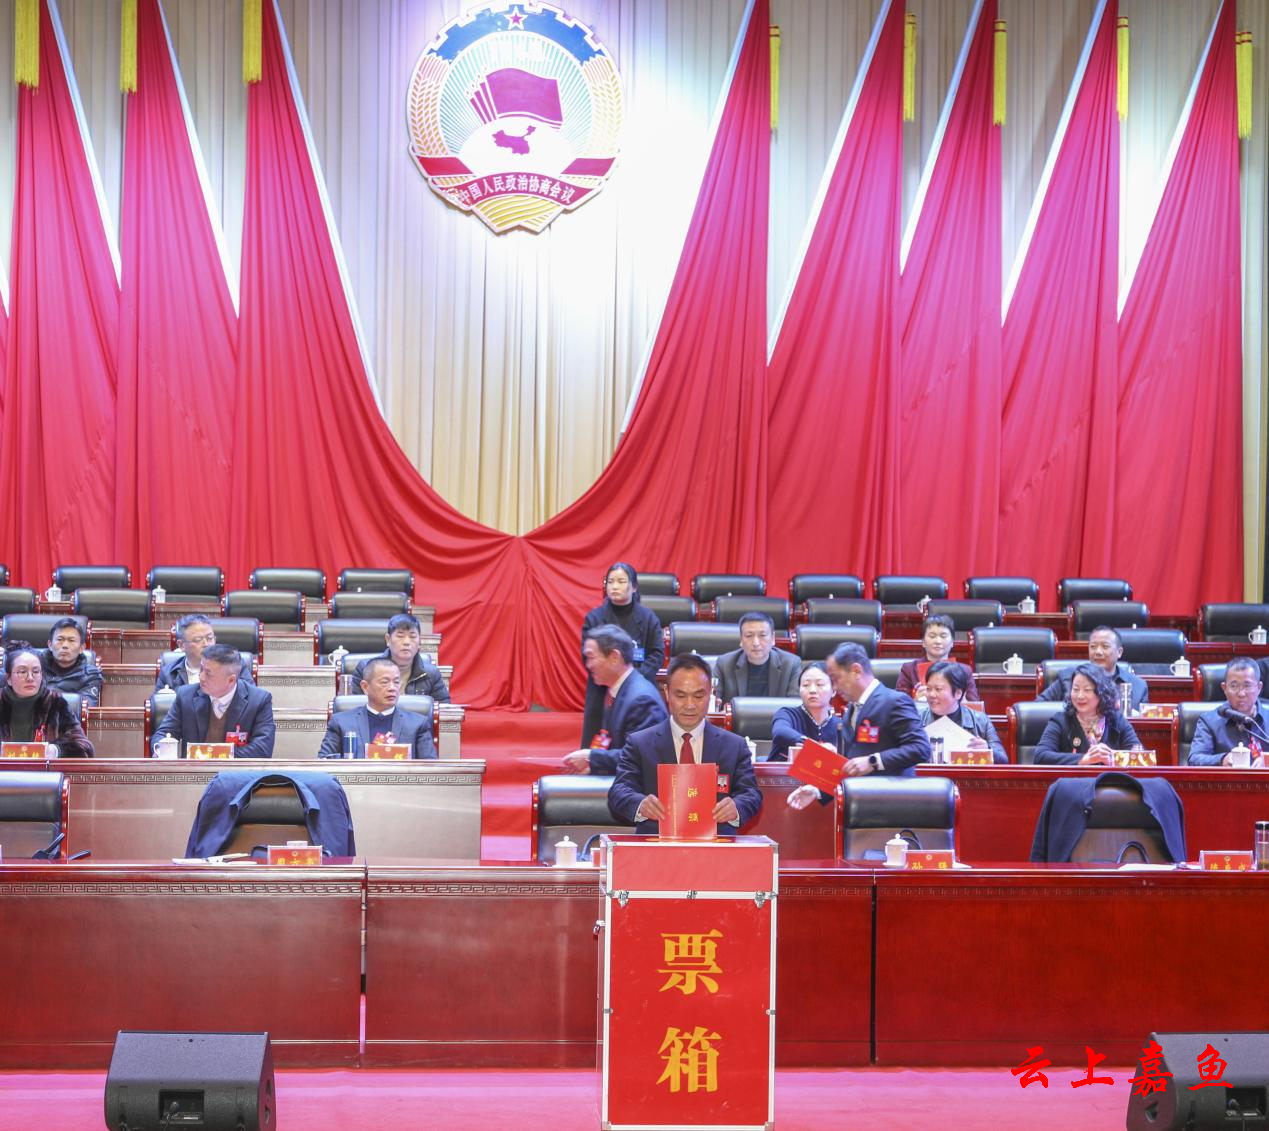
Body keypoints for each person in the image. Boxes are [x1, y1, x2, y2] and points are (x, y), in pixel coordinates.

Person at [608, 653, 761, 836]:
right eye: (681, 696)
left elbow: (751, 794)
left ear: (711, 693)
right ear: (667, 693)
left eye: (698, 696)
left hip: (716, 844)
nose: (690, 705)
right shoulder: (640, 743)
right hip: (657, 844)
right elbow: (619, 791)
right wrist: (641, 804)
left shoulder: (734, 746)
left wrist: (736, 807)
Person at [788, 643, 932, 808]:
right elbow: (849, 765)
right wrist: (818, 791)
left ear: (856, 671)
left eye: (836, 678)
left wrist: (872, 761)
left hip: (893, 804)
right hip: (860, 807)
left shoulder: (895, 701)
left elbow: (921, 748)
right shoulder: (850, 710)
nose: (835, 686)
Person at [561, 625, 668, 775]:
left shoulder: (642, 700)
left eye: (591, 657)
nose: (588, 665)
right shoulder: (618, 689)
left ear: (614, 657)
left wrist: (591, 757)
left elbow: (642, 756)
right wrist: (592, 766)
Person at [579, 562, 664, 746]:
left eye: (621, 581)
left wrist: (631, 679)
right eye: (610, 582)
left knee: (635, 747)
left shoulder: (648, 618)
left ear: (634, 587)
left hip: (637, 688)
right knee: (597, 749)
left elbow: (657, 654)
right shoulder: (594, 618)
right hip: (602, 690)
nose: (614, 586)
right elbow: (587, 656)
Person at [151, 644, 276, 758]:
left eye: (208, 673)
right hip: (193, 773)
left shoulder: (259, 701)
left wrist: (208, 754)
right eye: (201, 669)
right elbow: (163, 734)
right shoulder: (185, 696)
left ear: (231, 680)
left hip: (235, 773)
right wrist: (161, 750)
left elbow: (262, 749)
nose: (201, 677)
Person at [319, 657, 436, 759]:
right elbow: (324, 762)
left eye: (396, 682)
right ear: (365, 687)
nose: (392, 688)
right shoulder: (341, 722)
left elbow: (430, 769)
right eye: (385, 682)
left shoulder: (417, 724)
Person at [1033, 663, 1140, 766]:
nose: (1080, 696)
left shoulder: (1116, 720)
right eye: (1075, 689)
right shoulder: (1060, 720)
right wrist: (1083, 759)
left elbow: (1140, 756)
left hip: (1109, 778)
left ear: (1101, 692)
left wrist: (1113, 757)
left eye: (1087, 690)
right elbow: (1040, 756)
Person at [0, 644, 94, 757]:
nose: (30, 678)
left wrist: (56, 751)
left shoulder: (55, 703)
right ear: (8, 678)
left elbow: (84, 747)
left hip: (44, 768)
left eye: (36, 671)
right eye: (22, 672)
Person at [917, 660, 1007, 763]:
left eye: (938, 689)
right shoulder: (916, 719)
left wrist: (988, 750)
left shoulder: (980, 721)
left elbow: (1003, 760)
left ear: (958, 693)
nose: (931, 695)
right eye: (928, 689)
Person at [1038, 625, 1148, 710]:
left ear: (1119, 652)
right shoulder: (1068, 676)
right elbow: (1038, 708)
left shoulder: (1138, 686)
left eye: (1105, 646)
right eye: (1093, 647)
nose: (1098, 652)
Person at [1187, 657, 1269, 766]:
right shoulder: (1209, 721)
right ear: (1224, 688)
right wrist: (1222, 759)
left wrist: (1267, 760)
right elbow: (1194, 759)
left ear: (1259, 688)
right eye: (1234, 686)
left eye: (1247, 686)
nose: (1241, 693)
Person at [354, 613, 449, 702]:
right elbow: (353, 706)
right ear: (388, 639)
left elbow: (442, 707)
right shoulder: (365, 669)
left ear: (419, 641)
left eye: (412, 636)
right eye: (400, 636)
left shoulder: (431, 674)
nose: (406, 642)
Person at [714, 612, 800, 704]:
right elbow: (714, 700)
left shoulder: (791, 664)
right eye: (749, 636)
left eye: (762, 635)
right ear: (741, 640)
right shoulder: (724, 664)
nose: (756, 643)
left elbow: (794, 704)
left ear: (772, 638)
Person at [155, 614, 254, 691]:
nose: (206, 644)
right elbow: (159, 706)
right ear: (181, 645)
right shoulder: (168, 674)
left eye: (210, 638)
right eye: (198, 640)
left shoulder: (234, 664)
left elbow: (251, 697)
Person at [768, 661, 840, 762]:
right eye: (806, 685)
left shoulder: (840, 725)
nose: (812, 690)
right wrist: (814, 747)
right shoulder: (787, 714)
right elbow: (780, 732)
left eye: (819, 684)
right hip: (783, 772)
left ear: (834, 690)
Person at [896, 614, 979, 701]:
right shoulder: (909, 669)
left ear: (952, 642)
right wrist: (916, 702)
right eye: (932, 636)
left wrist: (963, 703)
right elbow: (899, 704)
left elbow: (975, 706)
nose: (938, 641)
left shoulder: (964, 671)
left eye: (943, 636)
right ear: (923, 642)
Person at [39, 617, 103, 707]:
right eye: (60, 639)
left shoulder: (90, 676)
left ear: (81, 648)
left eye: (71, 640)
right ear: (50, 645)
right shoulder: (35, 666)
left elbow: (83, 707)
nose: (65, 645)